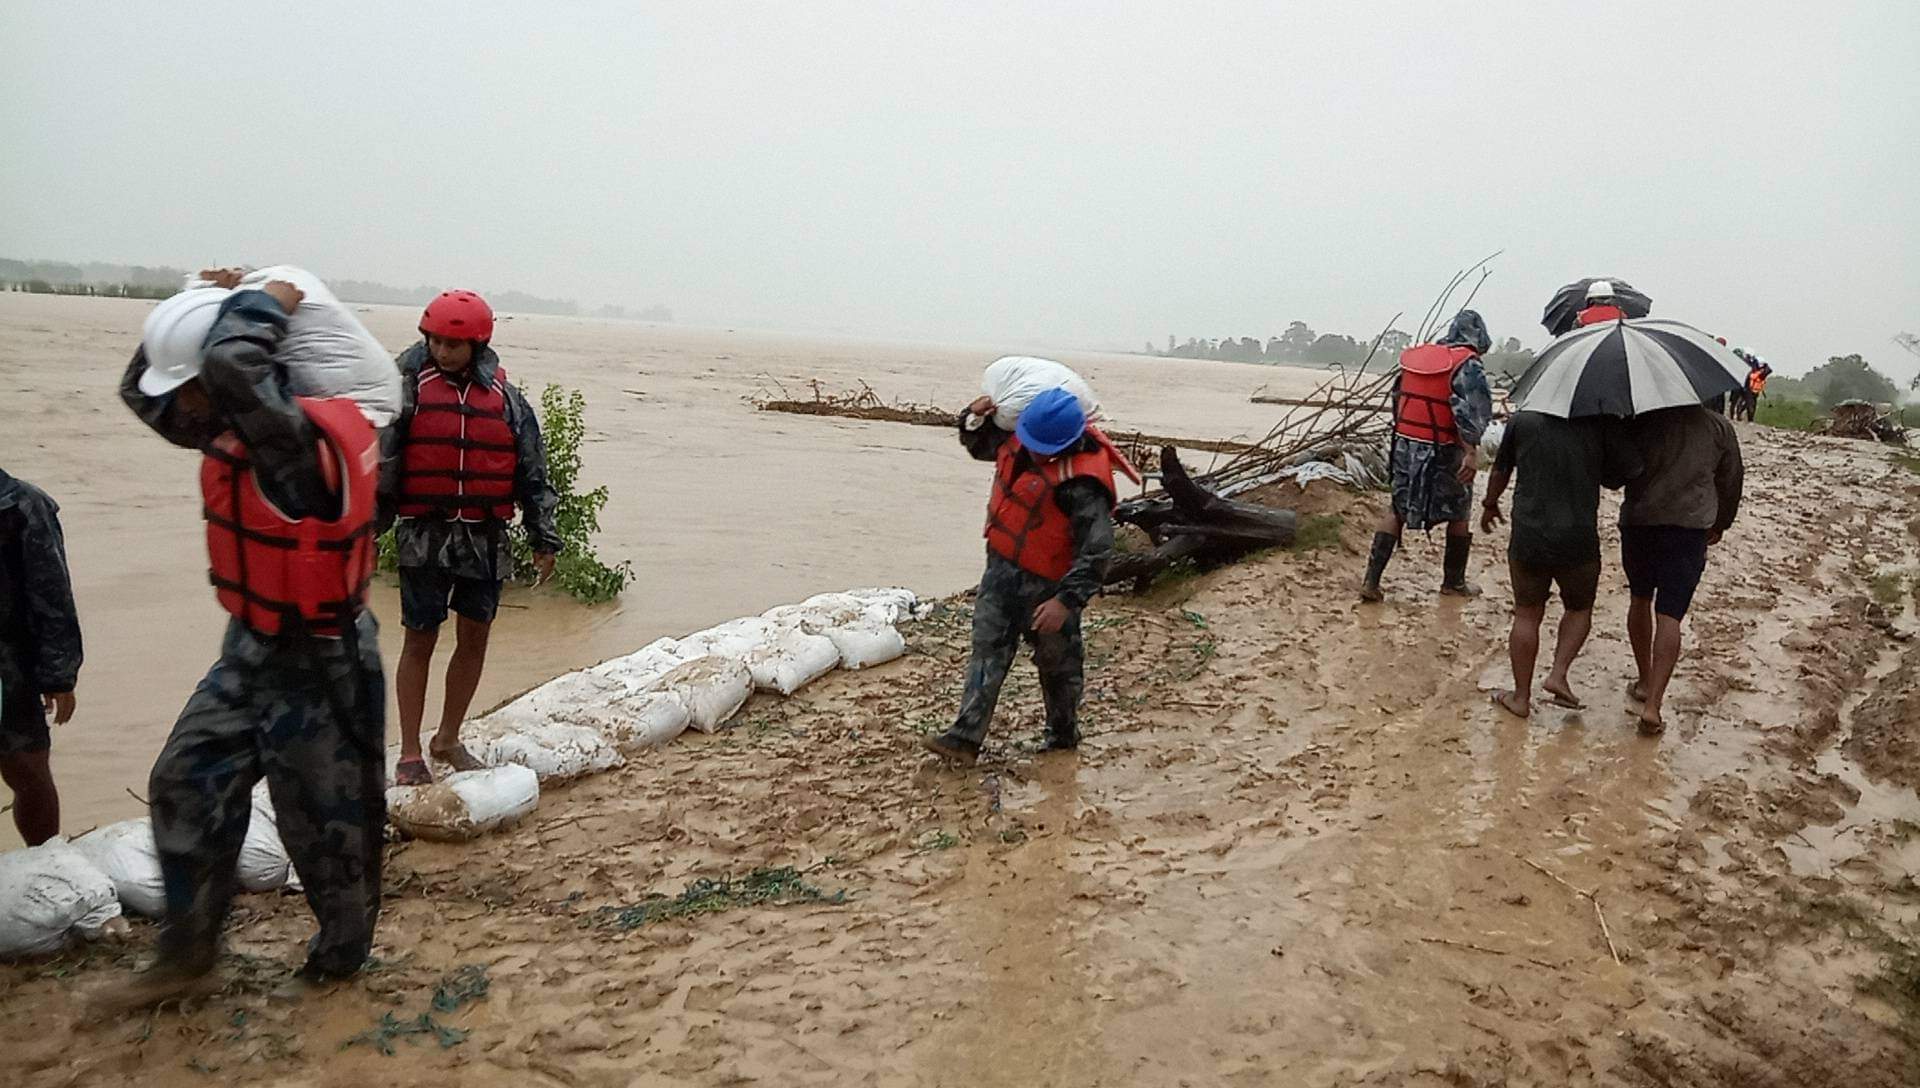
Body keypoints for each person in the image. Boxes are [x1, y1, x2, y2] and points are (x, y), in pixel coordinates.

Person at [106, 279, 387, 1007]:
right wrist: (195, 300)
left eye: (193, 387)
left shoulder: (292, 444)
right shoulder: (218, 423)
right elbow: (139, 392)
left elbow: (232, 369)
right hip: (250, 651)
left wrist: (270, 299)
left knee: (326, 826)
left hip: (322, 661)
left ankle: (338, 966)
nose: (184, 408)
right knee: (183, 779)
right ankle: (189, 956)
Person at [379, 291, 560, 786]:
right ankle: (411, 752)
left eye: (454, 344)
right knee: (419, 639)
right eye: (435, 340)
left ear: (477, 343)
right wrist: (366, 532)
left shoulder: (507, 400)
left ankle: (449, 738)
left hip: (485, 537)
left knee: (474, 638)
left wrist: (544, 535)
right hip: (423, 535)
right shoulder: (406, 390)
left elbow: (532, 472)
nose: (443, 351)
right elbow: (382, 465)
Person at [923, 387, 1136, 765]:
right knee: (987, 651)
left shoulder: (1083, 483)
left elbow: (1098, 550)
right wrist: (971, 418)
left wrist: (1065, 602)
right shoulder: (1020, 439)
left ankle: (1062, 737)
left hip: (1051, 587)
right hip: (1001, 571)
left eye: (1043, 447)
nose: (1033, 450)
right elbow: (979, 445)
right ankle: (964, 738)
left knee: (1059, 666)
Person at [1480, 413, 1641, 718]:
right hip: (1577, 537)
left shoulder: (1522, 421)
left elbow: (1500, 469)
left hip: (1530, 533)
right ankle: (1558, 673)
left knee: (1527, 613)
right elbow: (1620, 476)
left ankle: (1521, 698)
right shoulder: (1599, 422)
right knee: (1579, 608)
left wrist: (1490, 503)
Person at [1618, 404, 1744, 736]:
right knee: (1670, 615)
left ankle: (1644, 680)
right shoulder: (1719, 427)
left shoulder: (1642, 419)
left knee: (1639, 598)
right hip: (1689, 528)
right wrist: (1722, 523)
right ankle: (1653, 706)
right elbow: (1731, 481)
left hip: (1640, 522)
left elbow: (1619, 470)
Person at [1360, 310, 1495, 602]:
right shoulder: (1468, 366)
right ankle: (1453, 582)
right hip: (1445, 448)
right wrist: (1471, 451)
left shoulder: (1417, 359)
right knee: (1459, 511)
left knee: (1396, 507)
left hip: (1405, 446)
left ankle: (1371, 581)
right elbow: (1471, 413)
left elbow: (1398, 401)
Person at [0, 468, 82, 846]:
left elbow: (52, 591)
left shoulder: (22, 504)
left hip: (8, 667)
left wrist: (59, 674)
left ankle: (46, 860)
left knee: (28, 769)